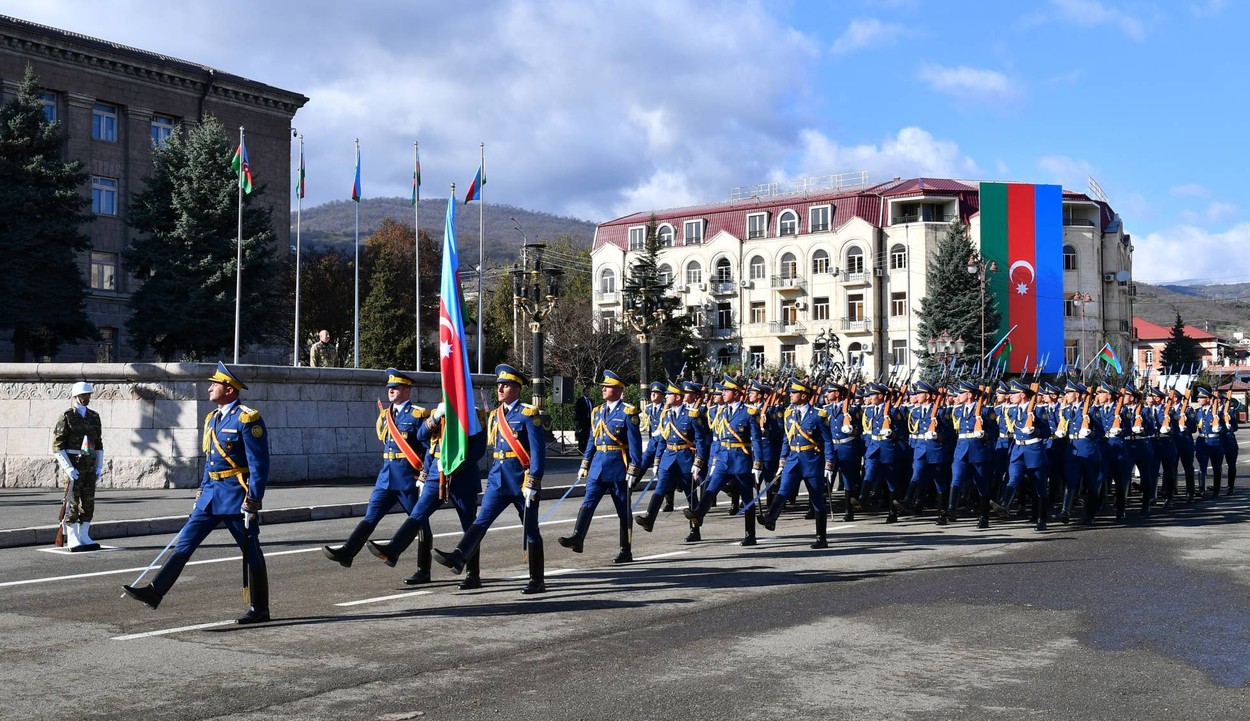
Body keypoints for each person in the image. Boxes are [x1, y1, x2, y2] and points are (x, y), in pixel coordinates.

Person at [123, 362, 271, 624]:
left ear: (229, 389)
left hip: (237, 496)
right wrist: (202, 490)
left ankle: (260, 608)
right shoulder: (212, 418)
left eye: (215, 384)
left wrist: (254, 499)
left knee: (250, 550)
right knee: (185, 543)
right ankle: (155, 592)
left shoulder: (247, 418)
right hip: (211, 495)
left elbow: (259, 464)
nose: (210, 387)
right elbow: (210, 460)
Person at [433, 364, 547, 595]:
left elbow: (537, 452)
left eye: (505, 385)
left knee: (530, 529)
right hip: (498, 480)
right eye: (499, 385)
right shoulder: (495, 416)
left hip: (520, 480)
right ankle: (459, 557)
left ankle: (537, 579)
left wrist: (533, 481)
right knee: (481, 521)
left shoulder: (528, 414)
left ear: (517, 388)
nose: (501, 389)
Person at [366, 402, 486, 589]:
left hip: (462, 478)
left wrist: (456, 466)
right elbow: (423, 436)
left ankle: (472, 573)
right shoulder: (439, 411)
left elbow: (478, 449)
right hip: (435, 475)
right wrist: (437, 417)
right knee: (418, 514)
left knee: (468, 526)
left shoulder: (474, 414)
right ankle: (393, 549)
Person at [322, 369, 429, 569]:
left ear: (407, 390)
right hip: (386, 477)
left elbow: (429, 448)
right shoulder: (385, 416)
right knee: (370, 517)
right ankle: (348, 552)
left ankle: (423, 569)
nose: (391, 390)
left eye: (396, 387)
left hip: (408, 478)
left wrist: (425, 474)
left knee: (419, 523)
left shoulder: (417, 415)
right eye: (389, 387)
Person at [561, 370, 642, 562]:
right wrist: (585, 462)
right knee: (588, 503)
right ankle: (577, 538)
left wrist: (634, 468)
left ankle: (625, 549)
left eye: (608, 387)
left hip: (618, 467)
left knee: (623, 509)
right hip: (598, 466)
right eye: (604, 387)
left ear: (618, 389)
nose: (604, 389)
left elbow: (635, 445)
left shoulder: (628, 412)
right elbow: (592, 439)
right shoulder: (597, 411)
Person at [683, 376, 763, 545]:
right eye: (723, 391)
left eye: (727, 391)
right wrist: (713, 460)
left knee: (747, 498)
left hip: (741, 459)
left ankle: (750, 534)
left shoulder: (749, 412)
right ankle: (698, 514)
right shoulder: (721, 412)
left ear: (736, 393)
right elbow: (717, 438)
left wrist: (758, 463)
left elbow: (756, 439)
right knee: (710, 489)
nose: (723, 393)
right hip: (723, 458)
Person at [759, 378, 834, 548]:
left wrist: (829, 462)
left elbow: (828, 441)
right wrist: (782, 459)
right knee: (783, 489)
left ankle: (821, 537)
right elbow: (787, 438)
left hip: (811, 460)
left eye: (794, 393)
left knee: (816, 499)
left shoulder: (818, 415)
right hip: (793, 459)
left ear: (804, 395)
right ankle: (771, 518)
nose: (790, 395)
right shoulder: (789, 414)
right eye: (791, 392)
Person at [51, 381, 105, 551]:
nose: (86, 398)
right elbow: (57, 446)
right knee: (72, 502)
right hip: (73, 464)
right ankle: (72, 537)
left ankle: (84, 535)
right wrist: (68, 468)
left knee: (88, 501)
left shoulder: (94, 417)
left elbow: (98, 443)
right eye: (83, 395)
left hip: (89, 464)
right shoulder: (67, 416)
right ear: (75, 396)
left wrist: (98, 466)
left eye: (88, 395)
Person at [574, 386, 594, 455]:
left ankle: (586, 449)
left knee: (587, 436)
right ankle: (580, 450)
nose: (588, 393)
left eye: (589, 392)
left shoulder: (591, 401)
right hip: (582, 421)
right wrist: (577, 421)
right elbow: (578, 411)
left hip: (589, 421)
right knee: (581, 436)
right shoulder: (580, 400)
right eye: (587, 391)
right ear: (584, 392)